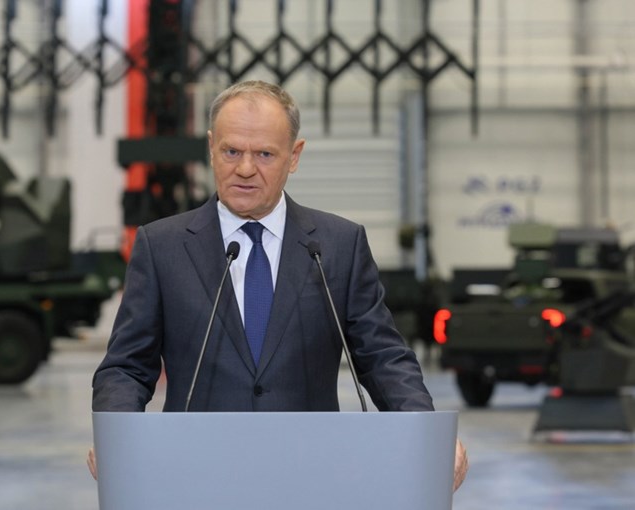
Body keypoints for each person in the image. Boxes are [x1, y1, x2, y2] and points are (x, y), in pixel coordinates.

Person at [89, 80, 468, 490]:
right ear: (211, 147)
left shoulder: (339, 245)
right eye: (231, 151)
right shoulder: (161, 246)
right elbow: (127, 367)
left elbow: (383, 357)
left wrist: (427, 434)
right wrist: (116, 435)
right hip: (196, 475)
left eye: (264, 154)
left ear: (294, 156)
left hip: (310, 476)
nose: (245, 168)